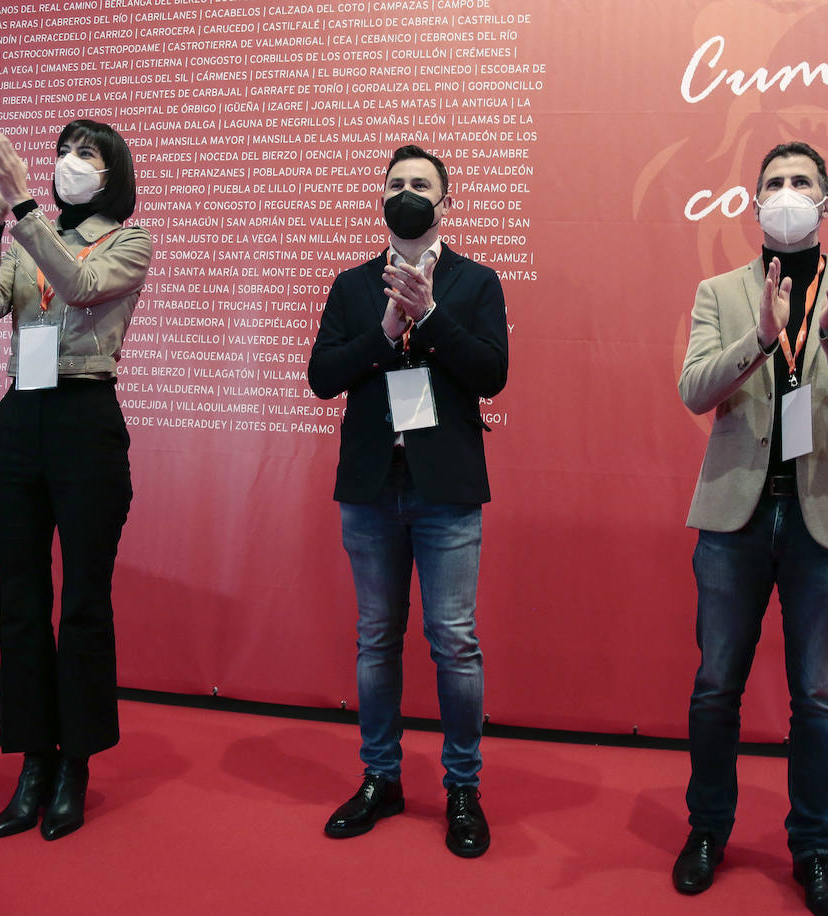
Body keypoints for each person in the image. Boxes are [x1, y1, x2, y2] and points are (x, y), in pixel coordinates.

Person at [673, 141, 828, 915]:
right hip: (734, 516)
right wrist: (762, 337)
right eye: (776, 183)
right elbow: (694, 389)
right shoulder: (719, 291)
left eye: (803, 183)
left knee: (819, 698)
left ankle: (813, 849)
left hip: (822, 521)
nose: (789, 193)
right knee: (714, 689)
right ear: (753, 202)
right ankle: (707, 831)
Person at [307, 144, 509, 858]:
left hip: (446, 489)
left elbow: (493, 372)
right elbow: (322, 376)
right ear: (381, 198)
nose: (407, 193)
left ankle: (462, 787)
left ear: (444, 201)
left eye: (421, 184)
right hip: (369, 488)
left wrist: (432, 316)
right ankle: (381, 778)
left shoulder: (476, 281)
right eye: (396, 183)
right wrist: (386, 332)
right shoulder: (353, 284)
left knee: (454, 642)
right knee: (375, 639)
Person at [0, 120, 152, 841]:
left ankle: (77, 761)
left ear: (112, 174)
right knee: (20, 598)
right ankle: (32, 759)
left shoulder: (129, 240)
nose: (70, 164)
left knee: (82, 603)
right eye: (65, 151)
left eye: (88, 155)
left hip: (84, 419)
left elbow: (78, 284)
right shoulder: (21, 239)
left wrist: (22, 214)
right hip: (20, 422)